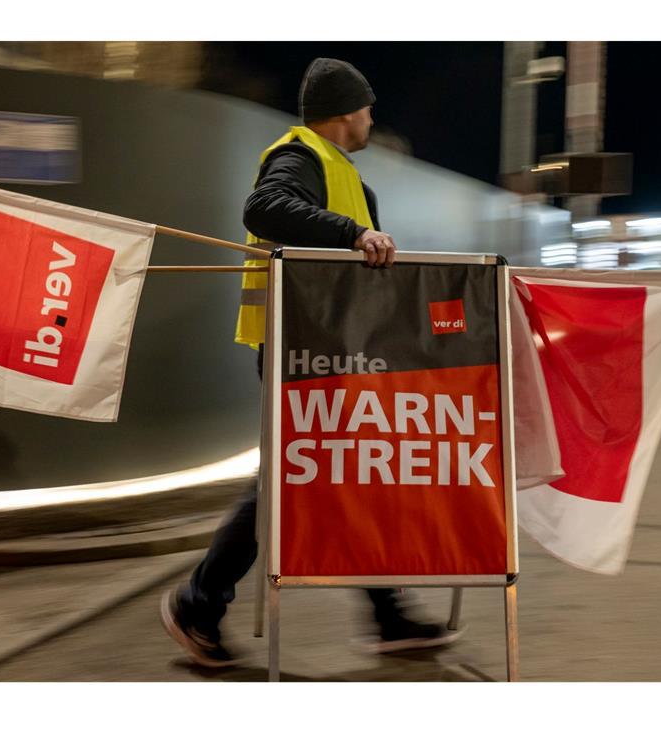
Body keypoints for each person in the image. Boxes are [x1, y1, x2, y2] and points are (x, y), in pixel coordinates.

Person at [161, 57, 459, 668]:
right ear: (347, 110)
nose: (373, 117)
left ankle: (385, 617)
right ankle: (198, 604)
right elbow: (264, 208)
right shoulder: (297, 156)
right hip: (300, 350)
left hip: (335, 350)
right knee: (287, 484)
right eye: (368, 107)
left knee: (349, 473)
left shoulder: (346, 176)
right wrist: (354, 234)